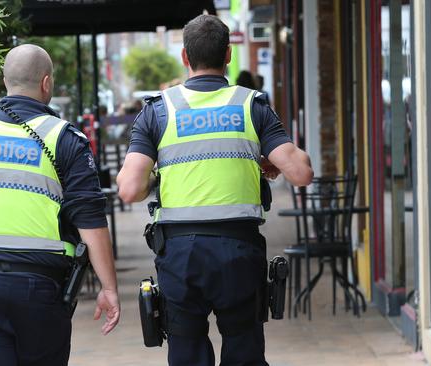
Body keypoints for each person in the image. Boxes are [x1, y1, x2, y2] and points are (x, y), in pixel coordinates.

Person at [117, 14, 313, 366]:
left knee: (187, 353)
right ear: (228, 55)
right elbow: (300, 173)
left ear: (184, 57)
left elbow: (129, 189)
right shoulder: (252, 106)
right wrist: (263, 157)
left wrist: (158, 179)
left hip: (180, 255)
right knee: (245, 351)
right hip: (239, 251)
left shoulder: (158, 111)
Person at [0, 44, 120, 366]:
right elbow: (91, 223)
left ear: (5, 80)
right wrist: (109, 288)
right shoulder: (66, 139)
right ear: (47, 83)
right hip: (41, 287)